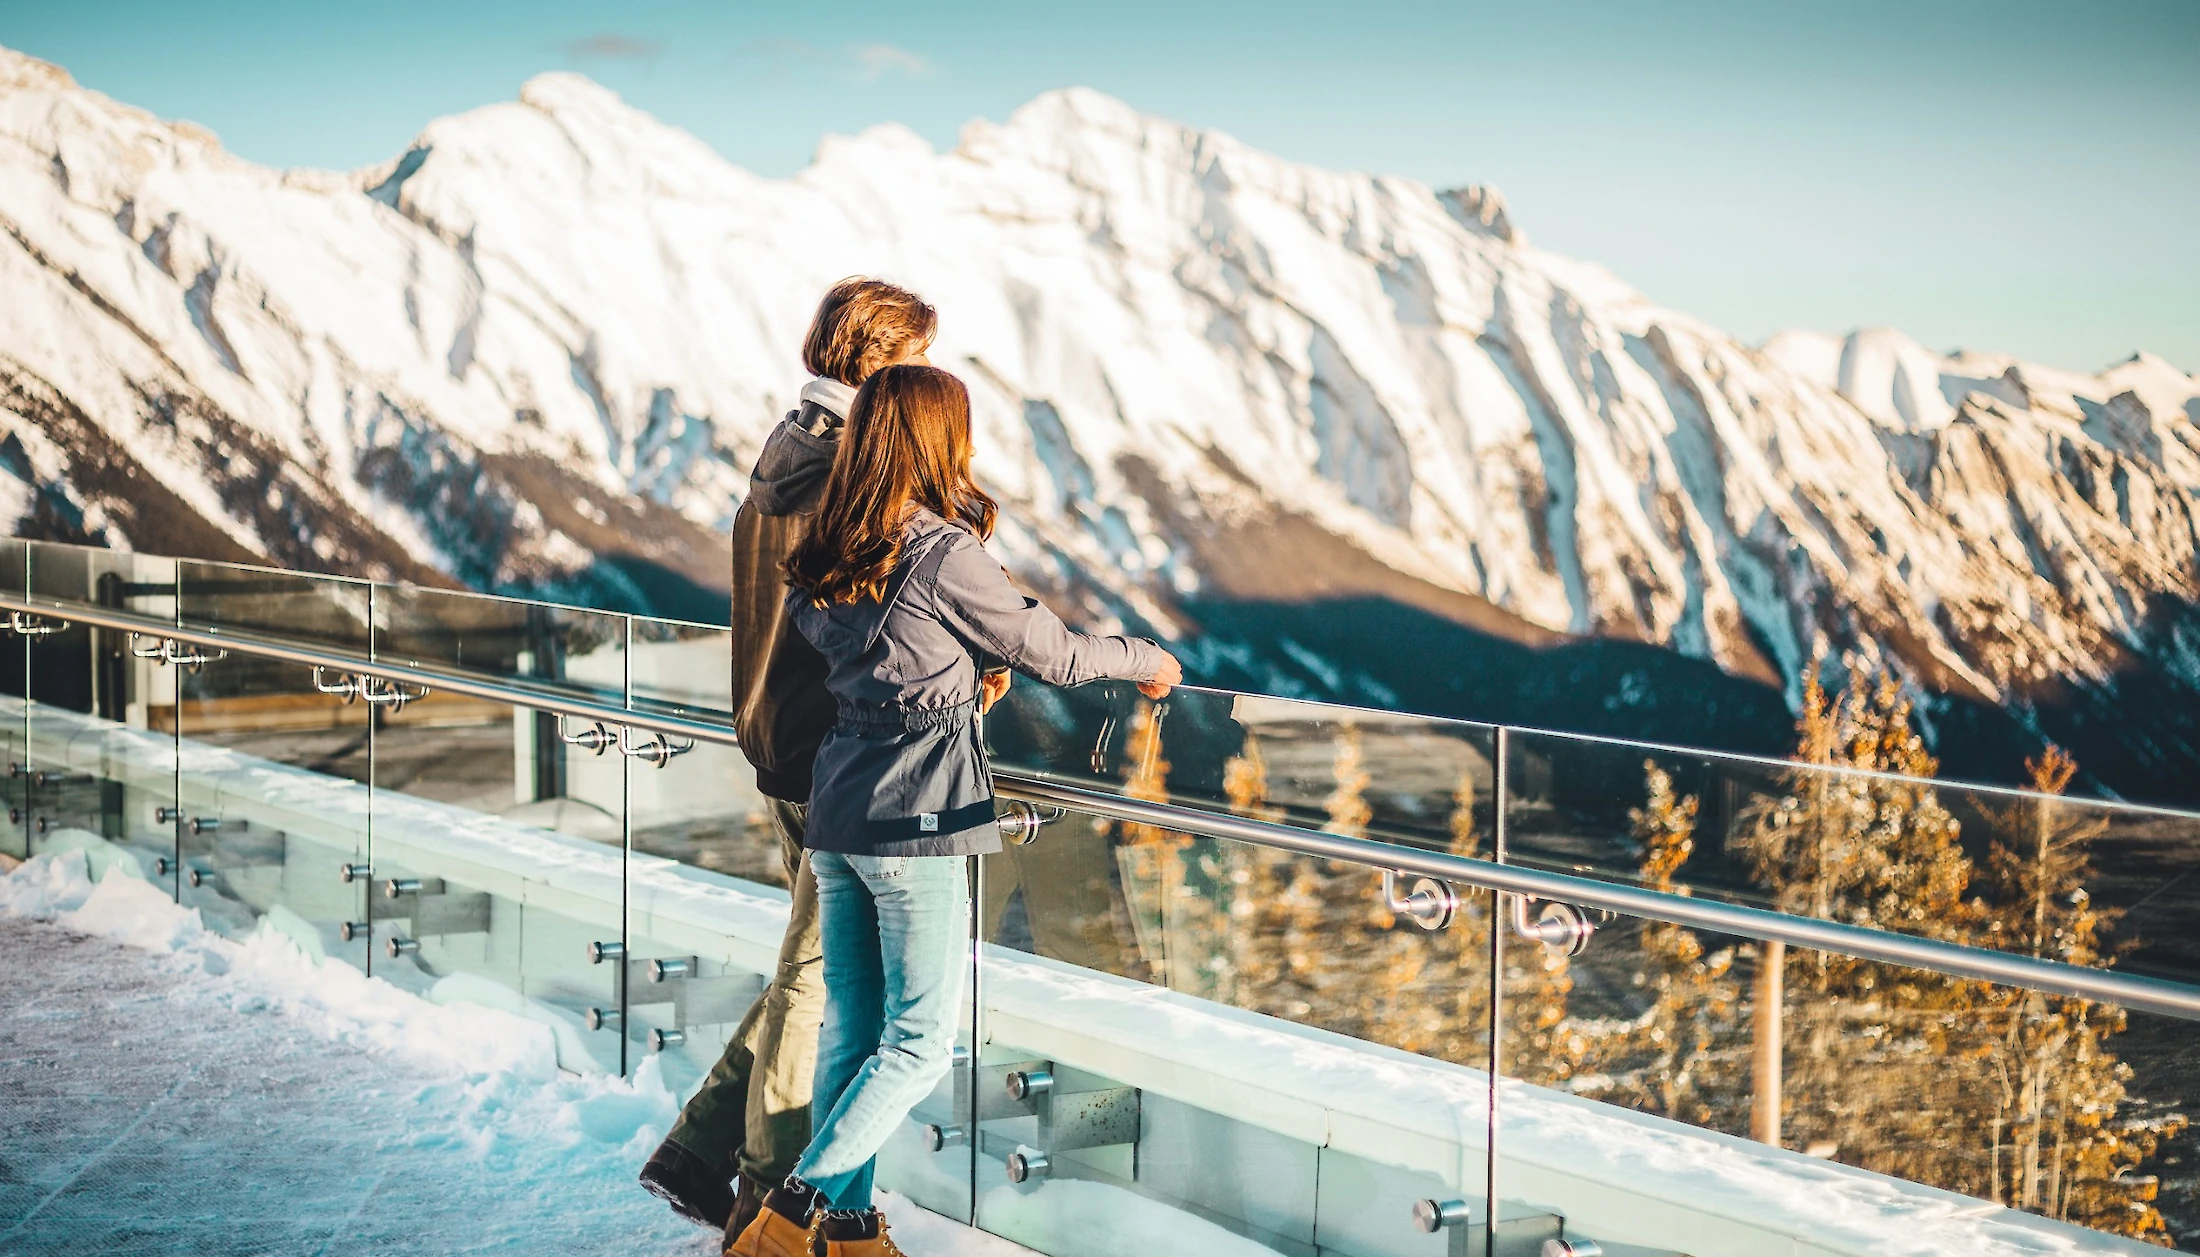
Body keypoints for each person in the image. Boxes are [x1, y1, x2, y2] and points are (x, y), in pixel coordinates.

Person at [728, 364, 1180, 1257]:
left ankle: (849, 1230)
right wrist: (1145, 658)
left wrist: (947, 671)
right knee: (923, 1041)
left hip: (837, 806)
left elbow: (878, 658)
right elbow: (1052, 649)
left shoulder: (826, 545)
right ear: (939, 442)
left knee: (852, 1031)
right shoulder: (941, 552)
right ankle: (790, 1217)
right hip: (918, 816)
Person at [641, 278, 941, 1236]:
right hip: (840, 758)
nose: (926, 376)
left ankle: (695, 1151)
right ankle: (770, 1201)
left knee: (809, 966)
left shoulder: (782, 456)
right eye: (918, 358)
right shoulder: (851, 478)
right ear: (885, 360)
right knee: (822, 981)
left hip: (776, 745)